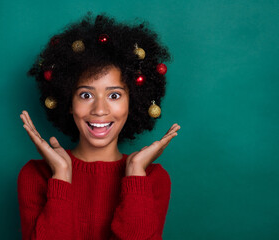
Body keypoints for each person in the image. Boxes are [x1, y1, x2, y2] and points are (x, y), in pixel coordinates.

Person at [18, 12, 180, 240]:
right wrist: (62, 177)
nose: (100, 109)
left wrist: (135, 173)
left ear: (132, 102)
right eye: (86, 94)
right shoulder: (37, 175)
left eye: (114, 95)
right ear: (68, 102)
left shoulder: (152, 177)